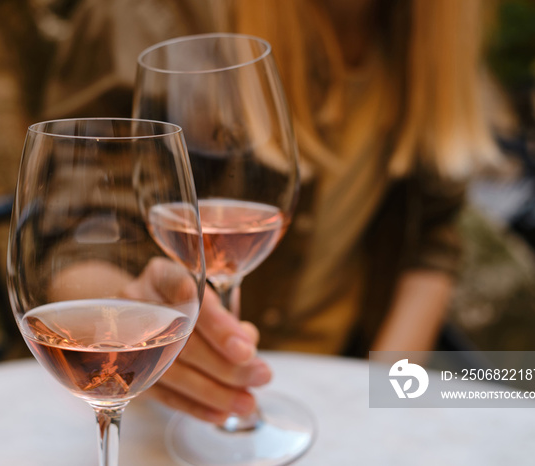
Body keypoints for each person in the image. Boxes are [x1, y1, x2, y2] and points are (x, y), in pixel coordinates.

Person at [41, 0, 499, 423]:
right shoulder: (147, 13)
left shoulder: (429, 43)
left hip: (333, 387)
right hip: (152, 417)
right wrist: (128, 315)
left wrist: (379, 402)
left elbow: (431, 242)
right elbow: (79, 231)